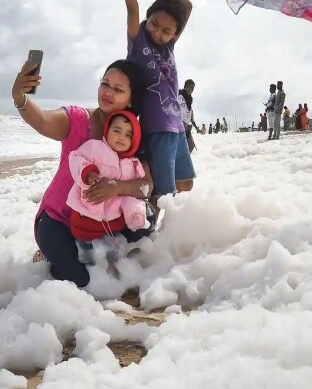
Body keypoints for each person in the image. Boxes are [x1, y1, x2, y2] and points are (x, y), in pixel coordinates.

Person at [13, 58, 151, 288]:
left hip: (101, 225)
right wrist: (20, 97)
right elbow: (43, 119)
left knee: (127, 256)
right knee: (81, 281)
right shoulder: (78, 119)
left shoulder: (131, 136)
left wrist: (117, 187)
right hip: (58, 220)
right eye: (105, 84)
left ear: (131, 99)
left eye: (118, 89)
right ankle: (49, 254)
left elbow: (146, 184)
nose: (108, 92)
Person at [121, 0, 195, 201]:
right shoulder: (138, 41)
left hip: (177, 128)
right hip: (156, 128)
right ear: (148, 19)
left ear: (174, 34)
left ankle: (163, 223)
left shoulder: (169, 46)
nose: (158, 33)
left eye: (166, 31)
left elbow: (186, 6)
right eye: (154, 24)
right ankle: (156, 233)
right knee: (165, 195)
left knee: (185, 184)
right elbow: (133, 7)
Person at [67, 110, 149, 273]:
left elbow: (134, 194)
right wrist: (88, 173)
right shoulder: (94, 147)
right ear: (107, 131)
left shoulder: (132, 164)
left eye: (128, 135)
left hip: (111, 224)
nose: (121, 137)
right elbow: (75, 158)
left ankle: (118, 265)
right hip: (86, 219)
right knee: (86, 255)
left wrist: (135, 213)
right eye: (116, 131)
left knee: (114, 247)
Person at [178, 79, 199, 152]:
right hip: (177, 126)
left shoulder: (190, 100)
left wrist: (197, 129)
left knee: (191, 146)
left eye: (192, 88)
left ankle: (182, 162)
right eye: (189, 87)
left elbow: (190, 116)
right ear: (185, 86)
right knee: (178, 147)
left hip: (187, 128)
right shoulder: (178, 93)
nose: (190, 89)